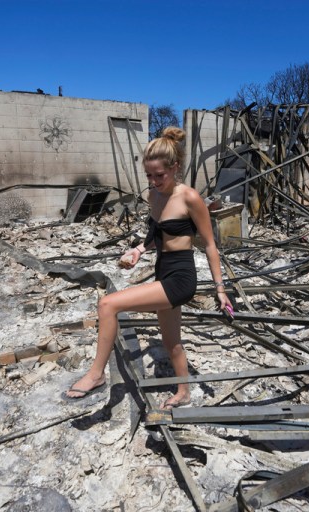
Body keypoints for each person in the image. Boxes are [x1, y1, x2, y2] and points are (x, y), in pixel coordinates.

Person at [65, 127, 233, 409]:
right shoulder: (154, 197)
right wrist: (138, 250)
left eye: (160, 175)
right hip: (162, 270)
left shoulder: (189, 197)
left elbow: (210, 244)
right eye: (149, 176)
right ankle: (184, 393)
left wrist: (220, 289)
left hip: (180, 278)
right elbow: (157, 234)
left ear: (175, 168)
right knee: (171, 342)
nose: (154, 182)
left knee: (108, 305)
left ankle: (96, 375)